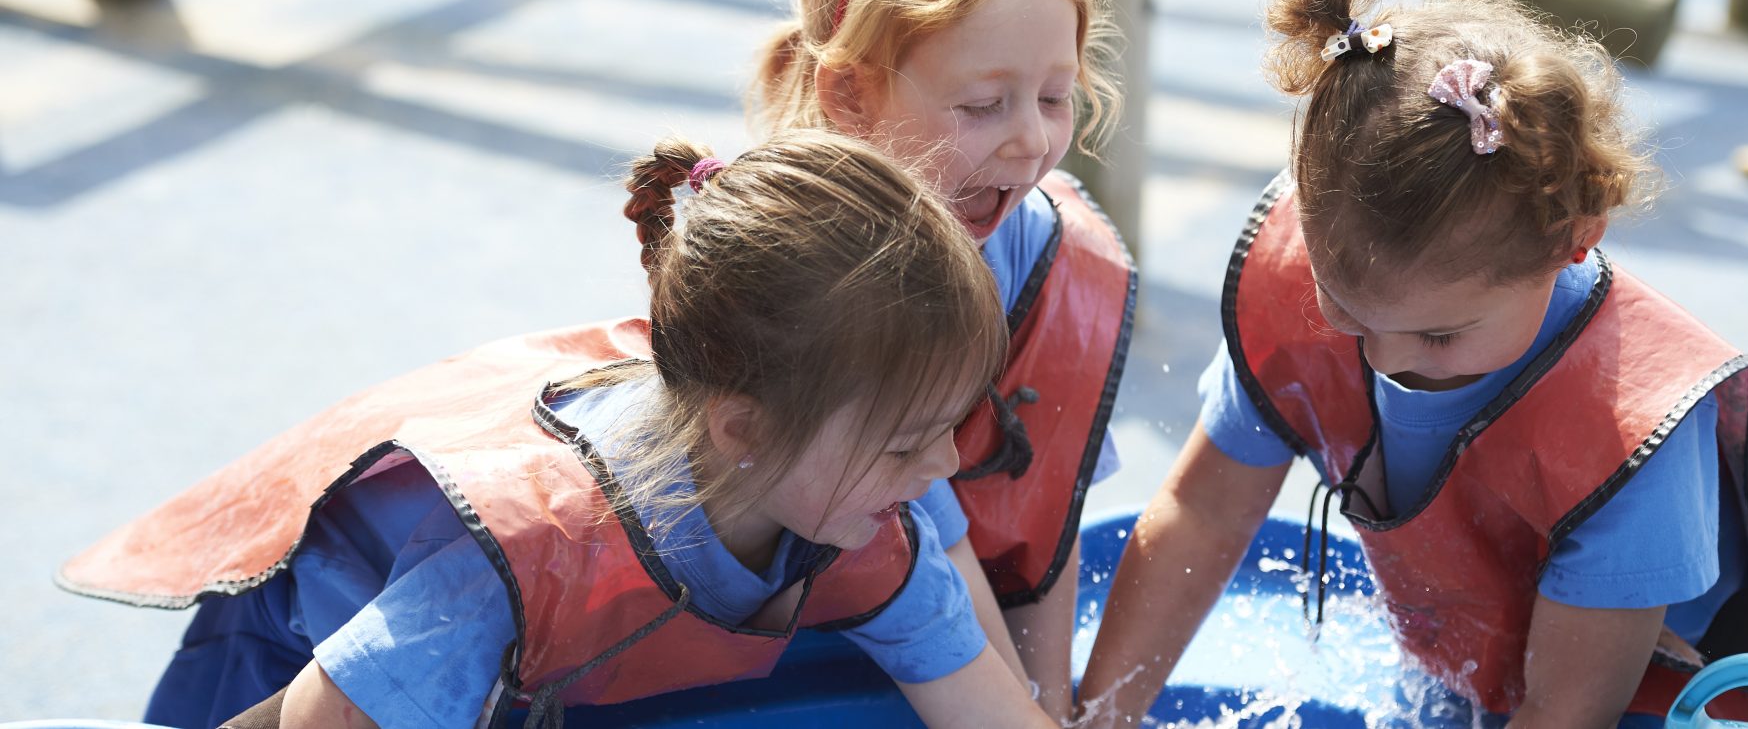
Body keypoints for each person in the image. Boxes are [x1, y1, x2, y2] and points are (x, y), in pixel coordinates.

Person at [60, 131, 1061, 729]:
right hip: (292, 669)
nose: (943, 467)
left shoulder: (862, 523)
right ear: (743, 425)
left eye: (949, 425)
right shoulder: (529, 562)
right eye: (904, 441)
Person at [1075, 0, 1748, 728]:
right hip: (1473, 661)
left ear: (1574, 240)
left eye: (1440, 335)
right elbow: (1205, 513)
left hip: (1649, 705)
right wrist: (1100, 715)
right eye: (1343, 309)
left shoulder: (1628, 431)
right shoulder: (1339, 264)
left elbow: (1565, 711)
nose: (1382, 358)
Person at [750, 0, 1135, 715]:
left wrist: (1056, 700)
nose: (1031, 141)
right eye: (982, 105)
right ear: (850, 95)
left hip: (948, 609)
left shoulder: (1041, 248)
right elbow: (932, 546)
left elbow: (1048, 516)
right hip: (806, 624)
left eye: (1056, 96)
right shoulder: (802, 260)